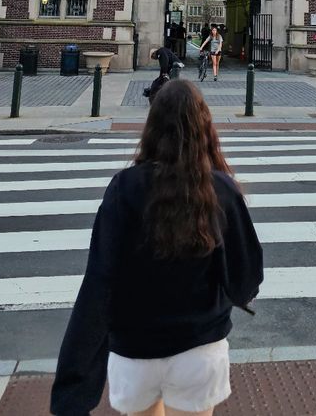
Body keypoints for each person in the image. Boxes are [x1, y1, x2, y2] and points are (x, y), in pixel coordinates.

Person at [51, 80, 264, 416]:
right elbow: (247, 273)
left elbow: (100, 279)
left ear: (151, 127)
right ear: (204, 125)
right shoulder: (221, 188)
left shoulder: (125, 188)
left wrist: (73, 385)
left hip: (136, 347)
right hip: (199, 345)